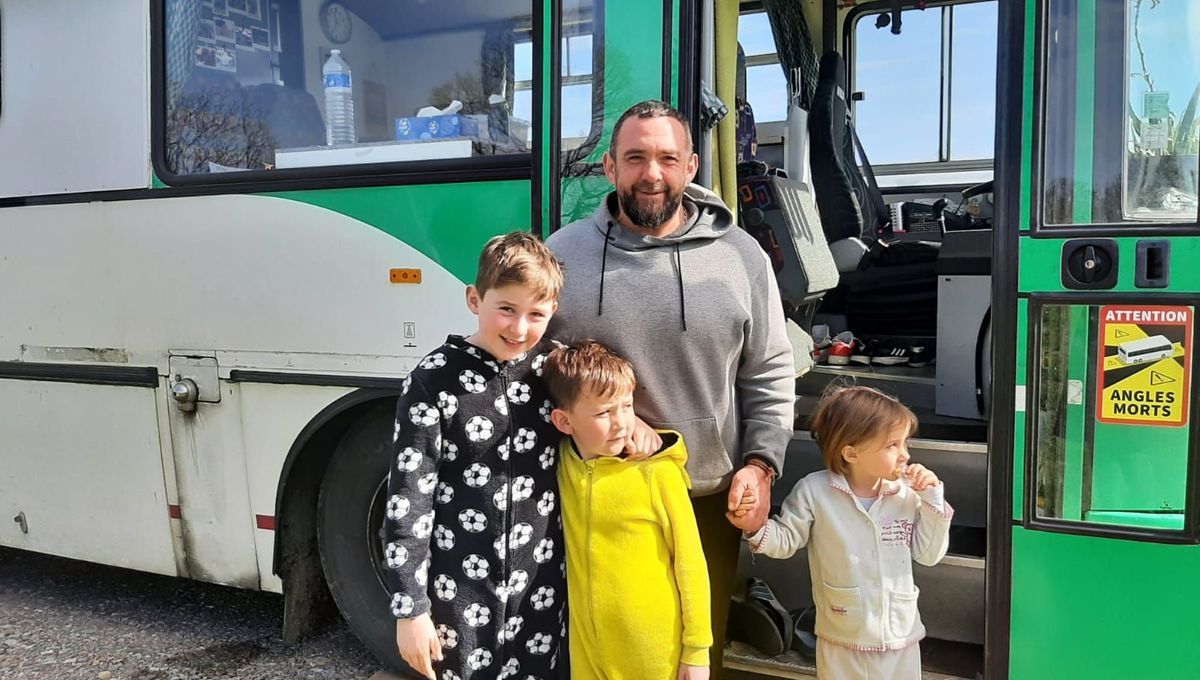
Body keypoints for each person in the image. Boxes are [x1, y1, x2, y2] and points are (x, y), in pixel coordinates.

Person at [545, 99, 795, 677]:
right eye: (635, 157)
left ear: (692, 166)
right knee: (599, 649)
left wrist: (761, 463)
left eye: (666, 158)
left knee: (694, 656)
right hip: (598, 495)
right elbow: (532, 357)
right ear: (609, 167)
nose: (651, 173)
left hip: (707, 494)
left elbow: (769, 370)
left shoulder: (741, 257)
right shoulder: (563, 255)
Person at [383, 232, 567, 680]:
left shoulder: (555, 371)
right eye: (506, 309)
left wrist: (633, 425)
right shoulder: (433, 380)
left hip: (539, 591)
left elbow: (605, 409)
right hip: (458, 597)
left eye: (535, 315)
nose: (519, 328)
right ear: (474, 298)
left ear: (553, 313)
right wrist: (411, 610)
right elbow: (408, 501)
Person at [743, 386, 952, 680]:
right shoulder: (814, 491)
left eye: (905, 443)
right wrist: (755, 526)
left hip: (901, 638)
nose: (904, 454)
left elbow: (928, 555)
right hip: (842, 639)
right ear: (851, 452)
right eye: (892, 445)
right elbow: (787, 540)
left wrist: (933, 499)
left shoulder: (907, 496)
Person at [543, 340, 722, 680]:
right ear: (564, 422)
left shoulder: (657, 473)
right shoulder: (563, 463)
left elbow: (691, 565)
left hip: (655, 656)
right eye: (603, 412)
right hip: (584, 655)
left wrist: (697, 652)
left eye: (626, 406)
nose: (622, 422)